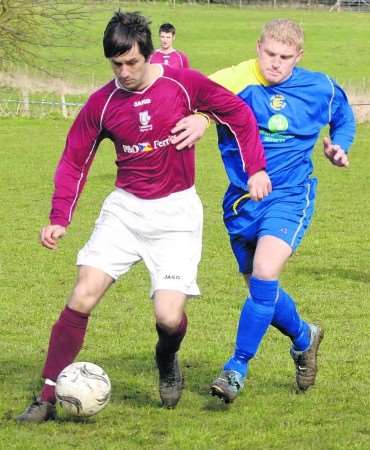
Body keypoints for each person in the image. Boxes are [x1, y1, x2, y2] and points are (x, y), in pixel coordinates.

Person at [16, 11, 271, 423]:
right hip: (125, 210)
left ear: (147, 54)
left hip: (176, 214)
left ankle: (167, 357)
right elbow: (74, 160)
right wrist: (59, 216)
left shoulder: (182, 84)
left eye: (132, 62)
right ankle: (46, 395)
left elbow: (238, 114)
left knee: (169, 318)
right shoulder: (102, 103)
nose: (125, 72)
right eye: (116, 64)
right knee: (82, 294)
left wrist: (254, 167)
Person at [173, 19, 355, 403]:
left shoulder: (318, 86)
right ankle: (305, 336)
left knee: (265, 271)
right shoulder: (234, 79)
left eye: (285, 57)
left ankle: (237, 368)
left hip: (290, 194)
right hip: (242, 201)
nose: (275, 63)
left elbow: (343, 115)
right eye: (270, 54)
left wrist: (339, 145)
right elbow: (197, 99)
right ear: (258, 48)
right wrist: (201, 118)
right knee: (261, 290)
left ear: (298, 57)